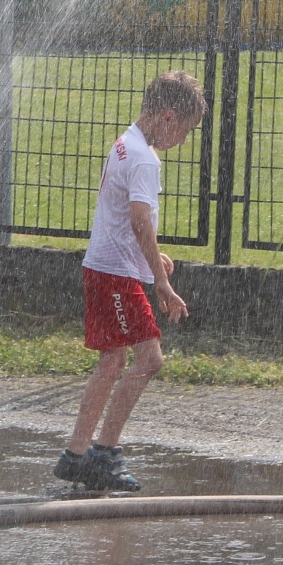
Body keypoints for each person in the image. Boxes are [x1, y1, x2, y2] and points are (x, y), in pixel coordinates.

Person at [54, 70, 207, 492]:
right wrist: (161, 282)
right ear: (168, 117)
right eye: (186, 130)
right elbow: (140, 220)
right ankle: (104, 452)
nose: (183, 139)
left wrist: (152, 257)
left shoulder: (125, 143)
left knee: (112, 362)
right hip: (117, 276)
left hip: (103, 265)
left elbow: (122, 216)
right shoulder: (143, 158)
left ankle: (76, 455)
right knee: (150, 360)